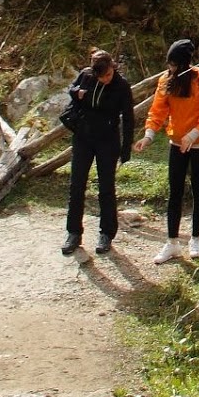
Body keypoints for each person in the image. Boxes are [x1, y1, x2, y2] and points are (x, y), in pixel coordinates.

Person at [140, 39, 199, 263]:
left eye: (174, 64)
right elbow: (157, 110)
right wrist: (149, 135)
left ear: (184, 64)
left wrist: (194, 134)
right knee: (174, 192)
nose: (170, 68)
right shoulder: (166, 80)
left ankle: (195, 239)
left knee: (198, 190)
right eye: (169, 64)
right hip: (176, 144)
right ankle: (172, 242)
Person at [61, 49, 134, 258]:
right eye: (101, 77)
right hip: (83, 137)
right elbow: (72, 91)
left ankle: (106, 233)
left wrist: (126, 148)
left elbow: (128, 118)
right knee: (76, 185)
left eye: (109, 75)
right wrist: (78, 93)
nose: (105, 80)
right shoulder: (86, 75)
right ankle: (73, 232)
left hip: (107, 140)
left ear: (113, 67)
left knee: (106, 187)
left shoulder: (121, 86)